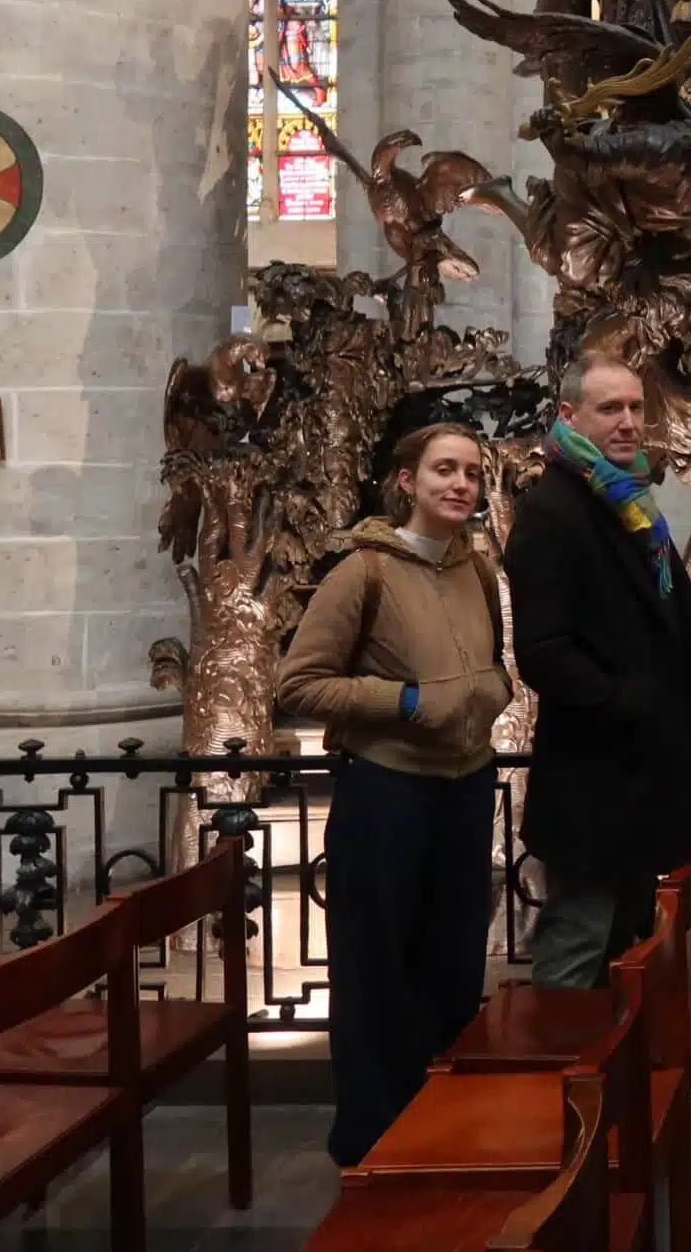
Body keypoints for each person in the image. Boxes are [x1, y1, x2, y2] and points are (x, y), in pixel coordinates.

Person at [274, 422, 514, 1166]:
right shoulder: (363, 572)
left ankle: (438, 1117)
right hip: (387, 793)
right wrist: (405, 701)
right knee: (379, 969)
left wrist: (492, 692)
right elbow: (298, 682)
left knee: (451, 965)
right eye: (444, 469)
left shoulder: (476, 571)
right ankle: (374, 1139)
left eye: (472, 473)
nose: (461, 484)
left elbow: (492, 657)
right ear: (406, 480)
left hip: (465, 787)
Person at [506, 353, 691, 989]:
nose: (629, 423)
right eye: (610, 409)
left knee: (624, 947)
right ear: (568, 416)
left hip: (640, 778)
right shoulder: (554, 511)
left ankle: (613, 1086)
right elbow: (544, 651)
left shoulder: (625, 502)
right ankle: (556, 1082)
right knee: (577, 947)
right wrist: (635, 704)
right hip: (595, 780)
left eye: (635, 408)